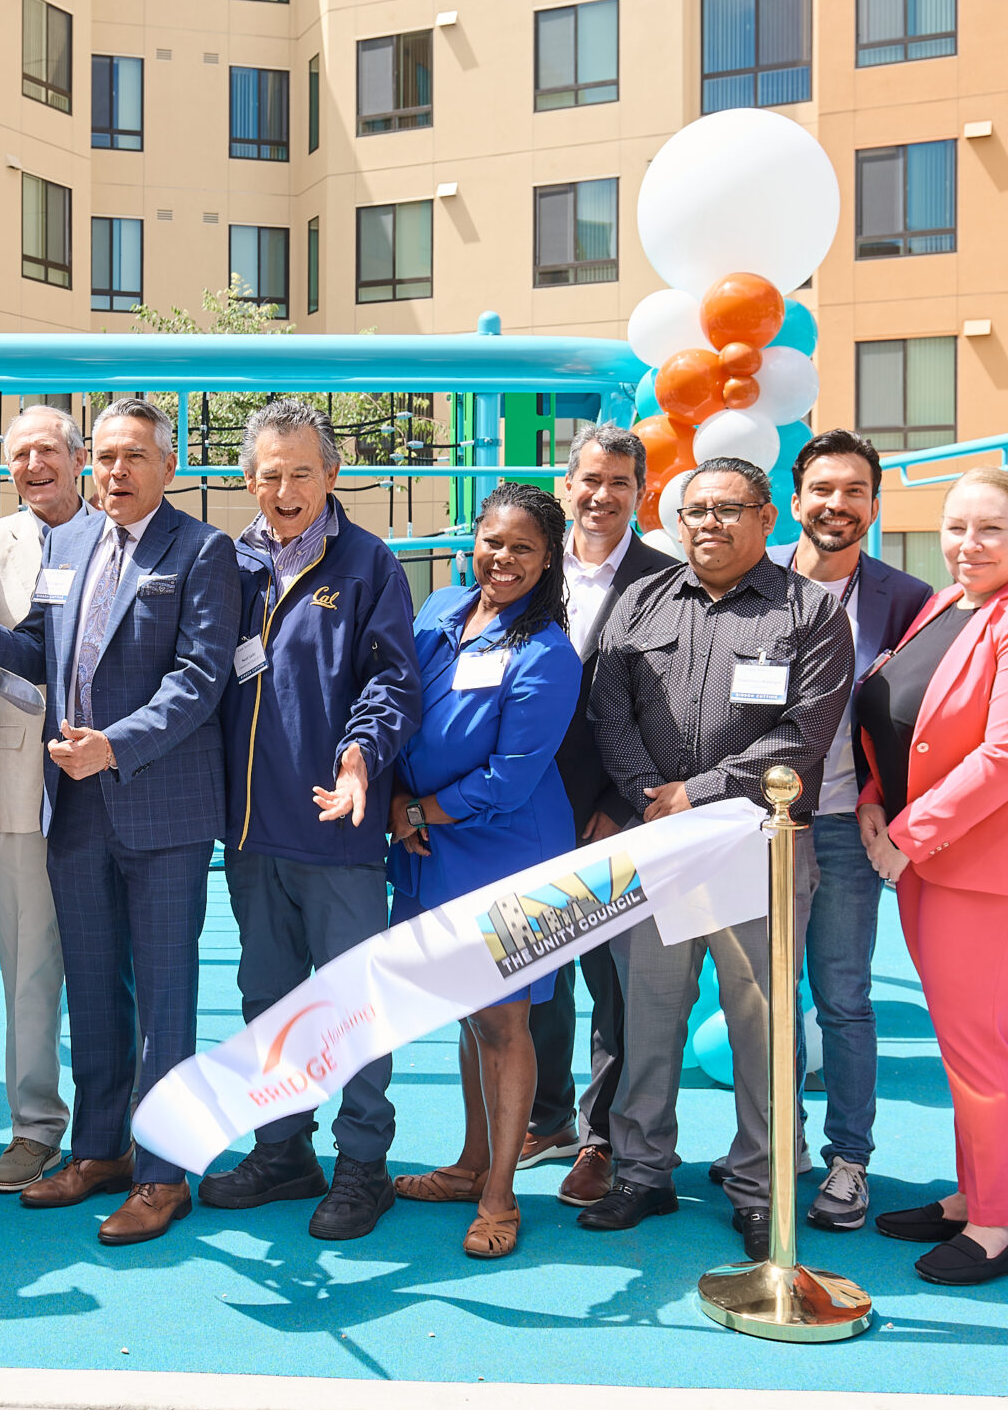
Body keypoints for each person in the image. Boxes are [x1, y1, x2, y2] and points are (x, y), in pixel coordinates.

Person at [0, 397, 239, 1245]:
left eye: (135, 458)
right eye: (105, 458)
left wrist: (114, 747)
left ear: (170, 467)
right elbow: (43, 655)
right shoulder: (70, 540)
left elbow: (200, 681)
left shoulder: (203, 551)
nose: (116, 473)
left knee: (166, 996)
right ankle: (99, 1149)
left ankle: (164, 1174)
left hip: (160, 808)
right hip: (76, 806)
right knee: (91, 986)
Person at [585, 457, 854, 1262]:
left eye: (728, 508)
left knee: (761, 1023)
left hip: (759, 847)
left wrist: (694, 791)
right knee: (650, 1011)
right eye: (694, 509)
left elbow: (804, 734)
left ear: (767, 518)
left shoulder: (809, 611)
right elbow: (609, 709)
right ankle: (641, 1169)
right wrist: (647, 791)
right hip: (660, 843)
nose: (709, 523)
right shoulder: (641, 598)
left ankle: (760, 1185)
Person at [857, 467, 1008, 1286]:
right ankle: (972, 1193)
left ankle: (997, 1225)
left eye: (990, 528)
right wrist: (872, 802)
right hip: (935, 860)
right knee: (964, 1044)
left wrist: (909, 834)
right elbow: (903, 717)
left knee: (979, 1046)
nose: (969, 543)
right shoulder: (946, 605)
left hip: (996, 871)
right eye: (956, 527)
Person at [201, 400, 421, 1240]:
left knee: (353, 1005)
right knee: (267, 996)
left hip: (338, 831)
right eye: (269, 474)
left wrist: (362, 753)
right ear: (247, 479)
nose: (284, 489)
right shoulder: (229, 563)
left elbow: (395, 681)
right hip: (253, 835)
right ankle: (282, 1147)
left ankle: (365, 1162)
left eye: (301, 472)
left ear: (331, 475)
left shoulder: (369, 564)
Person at [386, 482, 584, 1259]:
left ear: (548, 559)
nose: (503, 558)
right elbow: (398, 704)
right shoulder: (437, 609)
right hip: (431, 843)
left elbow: (511, 775)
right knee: (470, 1011)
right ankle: (470, 1164)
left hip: (507, 849)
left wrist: (419, 811)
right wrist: (401, 797)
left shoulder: (548, 652)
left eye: (523, 548)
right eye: (492, 540)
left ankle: (501, 1193)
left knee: (504, 1021)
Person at [765, 430, 934, 1230]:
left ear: (874, 503)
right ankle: (779, 1147)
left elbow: (920, 716)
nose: (837, 505)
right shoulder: (754, 584)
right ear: (794, 501)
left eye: (855, 490)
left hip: (845, 822)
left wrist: (879, 796)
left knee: (844, 996)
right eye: (822, 490)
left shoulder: (907, 599)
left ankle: (848, 1159)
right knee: (768, 996)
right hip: (760, 828)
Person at [530, 425, 679, 1207]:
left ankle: (604, 1138)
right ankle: (547, 1113)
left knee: (613, 991)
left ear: (640, 492)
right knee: (534, 974)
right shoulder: (527, 569)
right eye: (590, 478)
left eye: (620, 481)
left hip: (613, 819)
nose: (602, 494)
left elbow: (673, 717)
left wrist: (624, 807)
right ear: (566, 484)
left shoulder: (670, 581)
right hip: (527, 815)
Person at [0, 406, 89, 1194]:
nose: (33, 465)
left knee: (121, 967)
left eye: (48, 450)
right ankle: (34, 1124)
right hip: (15, 785)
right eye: (18, 456)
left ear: (78, 460)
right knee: (27, 969)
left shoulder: (117, 535)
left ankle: (126, 1118)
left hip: (104, 781)